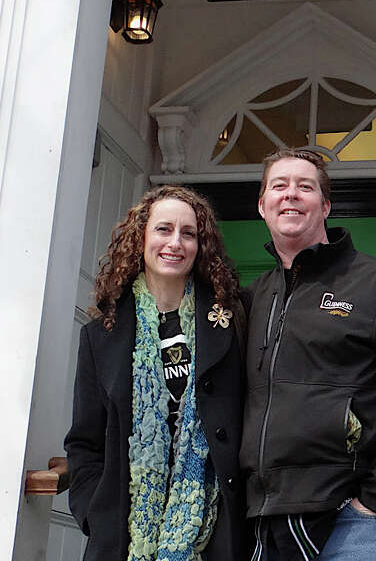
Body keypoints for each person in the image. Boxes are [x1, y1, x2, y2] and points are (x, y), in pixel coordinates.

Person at [242, 148, 376, 561]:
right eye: (279, 186)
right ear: (263, 205)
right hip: (267, 521)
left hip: (353, 524)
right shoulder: (253, 299)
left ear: (326, 206)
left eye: (305, 187)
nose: (290, 194)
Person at [65, 186, 245, 561]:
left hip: (213, 531)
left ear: (200, 246)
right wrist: (94, 515)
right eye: (164, 229)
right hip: (124, 536)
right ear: (141, 238)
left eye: (188, 233)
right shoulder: (101, 336)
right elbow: (85, 441)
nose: (175, 243)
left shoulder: (231, 321)